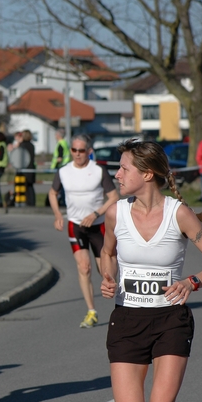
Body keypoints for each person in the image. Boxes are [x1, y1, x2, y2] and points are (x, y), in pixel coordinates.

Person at [100, 139, 202, 402]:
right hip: (127, 320)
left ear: (147, 174)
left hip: (170, 321)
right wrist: (108, 276)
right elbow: (107, 253)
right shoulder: (115, 213)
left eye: (124, 169)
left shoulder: (178, 214)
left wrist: (191, 282)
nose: (117, 174)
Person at [48, 134, 119, 328]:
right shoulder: (64, 171)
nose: (77, 154)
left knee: (106, 273)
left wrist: (96, 214)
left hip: (98, 226)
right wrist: (57, 214)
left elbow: (114, 196)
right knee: (84, 267)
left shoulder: (98, 170)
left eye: (81, 150)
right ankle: (91, 312)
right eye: (74, 150)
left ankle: (123, 306)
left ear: (89, 151)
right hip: (76, 225)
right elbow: (52, 193)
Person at [50, 129, 71, 206]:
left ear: (59, 135)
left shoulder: (60, 144)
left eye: (56, 134)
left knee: (59, 186)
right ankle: (64, 201)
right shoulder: (65, 143)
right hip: (65, 165)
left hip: (61, 166)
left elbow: (59, 158)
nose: (55, 136)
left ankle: (63, 202)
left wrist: (55, 165)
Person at [19, 130, 36, 206]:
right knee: (30, 186)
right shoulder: (32, 145)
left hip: (24, 168)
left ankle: (28, 202)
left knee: (25, 186)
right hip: (31, 167)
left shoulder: (22, 145)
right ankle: (32, 202)